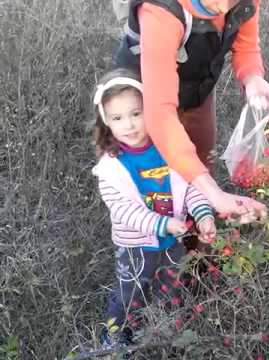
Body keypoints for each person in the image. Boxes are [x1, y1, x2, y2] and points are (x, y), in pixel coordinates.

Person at [115, 0, 269, 224]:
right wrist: (215, 194)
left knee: (199, 165)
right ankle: (160, 249)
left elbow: (246, 47)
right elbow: (160, 115)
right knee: (155, 184)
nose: (223, 8)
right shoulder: (160, 11)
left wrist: (252, 78)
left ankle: (197, 245)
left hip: (197, 90)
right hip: (142, 102)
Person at [90, 68, 216, 347]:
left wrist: (204, 214)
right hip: (136, 246)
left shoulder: (170, 149)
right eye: (118, 118)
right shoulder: (110, 169)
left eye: (137, 113)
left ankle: (160, 329)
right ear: (106, 122)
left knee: (168, 287)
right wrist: (162, 224)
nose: (130, 125)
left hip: (173, 242)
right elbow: (122, 210)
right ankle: (114, 334)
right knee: (129, 292)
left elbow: (191, 187)